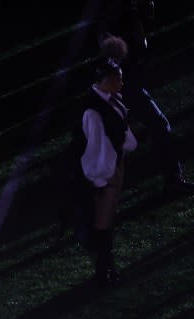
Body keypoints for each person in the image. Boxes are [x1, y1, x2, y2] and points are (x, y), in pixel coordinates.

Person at [96, 1, 194, 196]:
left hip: (125, 85)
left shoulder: (123, 17)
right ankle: (172, 179)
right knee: (157, 126)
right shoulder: (117, 21)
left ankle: (172, 179)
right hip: (123, 86)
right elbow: (127, 52)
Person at [76, 56, 138, 286]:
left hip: (113, 165)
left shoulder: (111, 100)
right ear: (106, 80)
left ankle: (107, 265)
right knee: (102, 221)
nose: (121, 83)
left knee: (108, 219)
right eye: (117, 79)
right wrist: (101, 180)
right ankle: (104, 270)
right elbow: (95, 148)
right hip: (104, 173)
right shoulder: (93, 111)